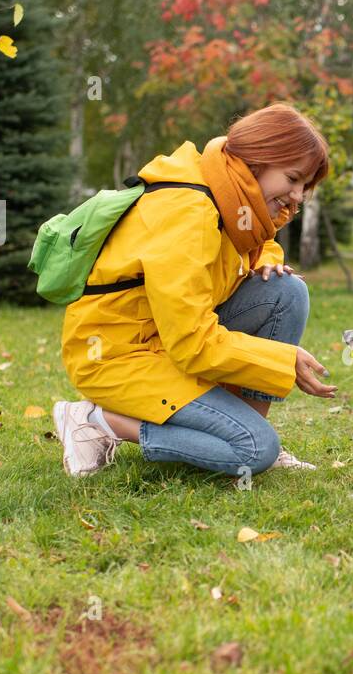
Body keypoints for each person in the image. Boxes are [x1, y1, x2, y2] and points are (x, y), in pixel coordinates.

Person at [53, 102, 338, 478]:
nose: (299, 196)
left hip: (165, 342)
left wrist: (267, 256)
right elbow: (191, 342)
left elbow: (243, 241)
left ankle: (251, 426)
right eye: (293, 178)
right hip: (120, 356)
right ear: (257, 160)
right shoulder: (187, 213)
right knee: (255, 451)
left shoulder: (228, 194)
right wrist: (280, 359)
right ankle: (96, 419)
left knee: (285, 291)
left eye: (305, 187)